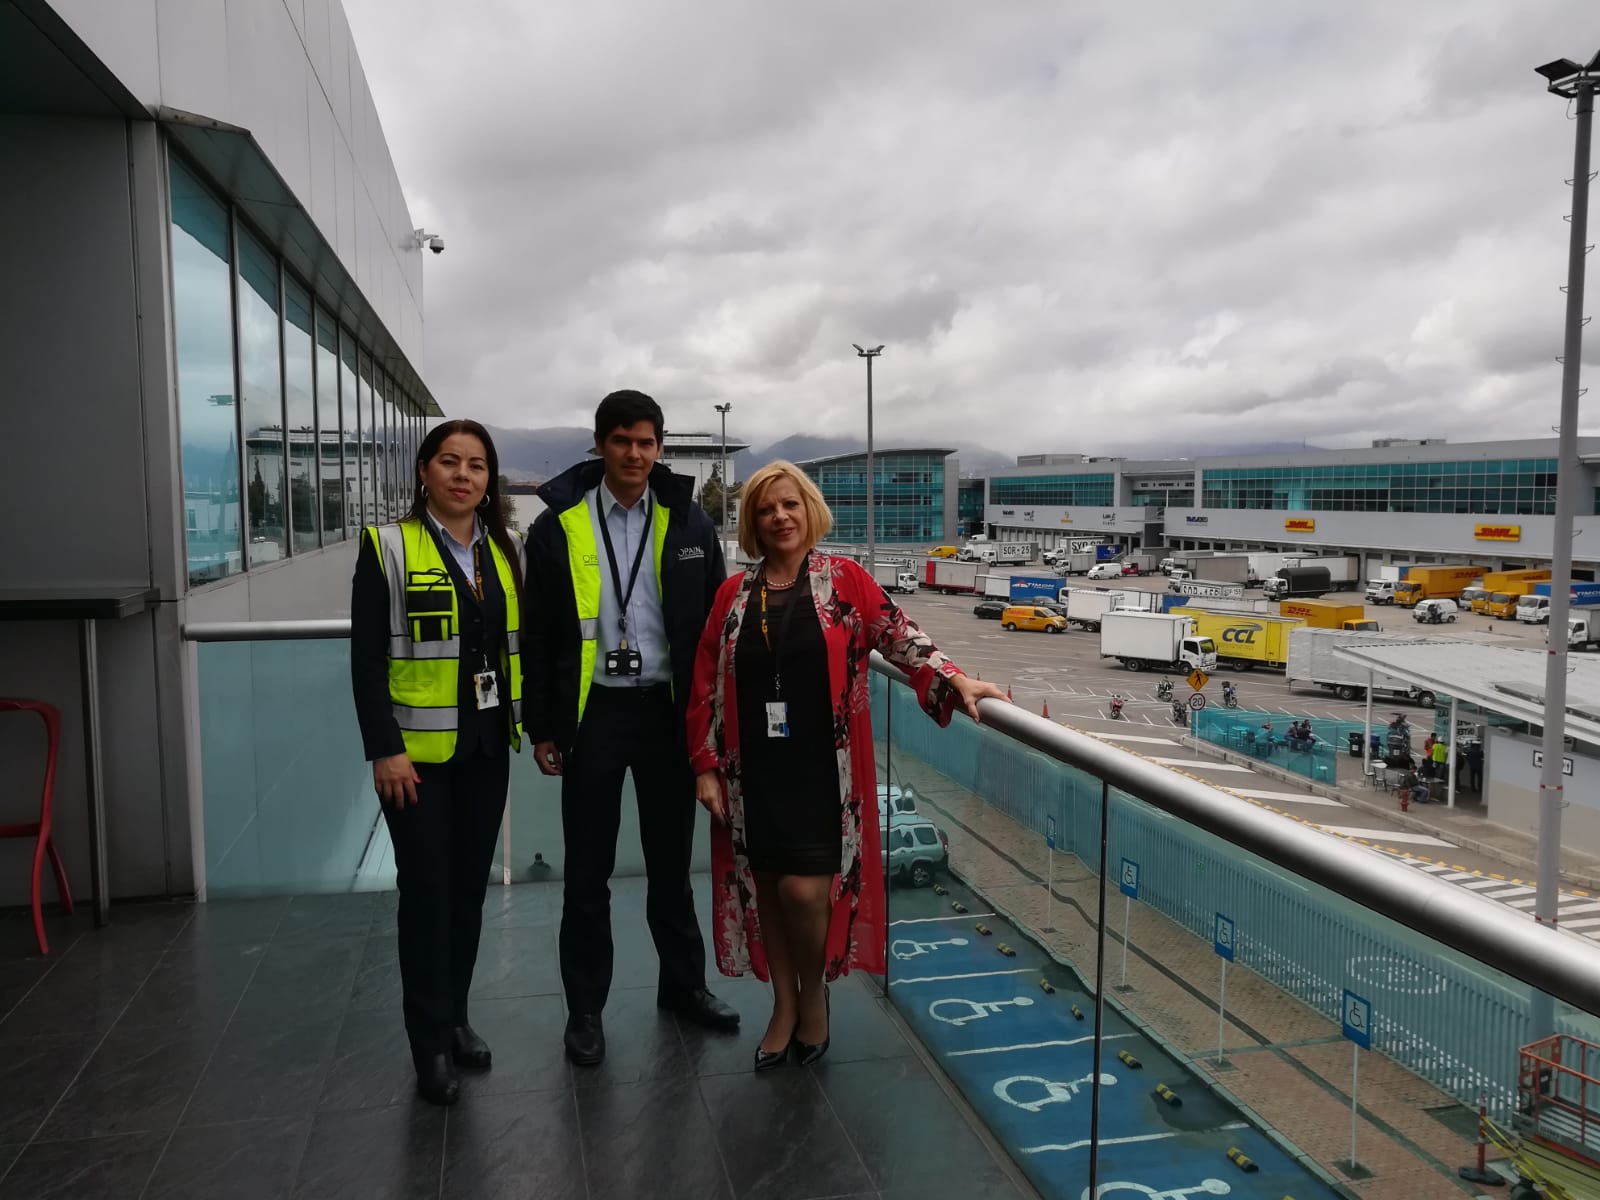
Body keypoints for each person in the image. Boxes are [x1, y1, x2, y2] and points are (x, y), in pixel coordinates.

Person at [686, 462, 1006, 1071]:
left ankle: (813, 994)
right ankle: (784, 1007)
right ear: (752, 522)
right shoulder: (734, 595)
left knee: (805, 891)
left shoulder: (844, 582)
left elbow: (901, 636)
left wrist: (953, 677)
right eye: (765, 509)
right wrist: (704, 766)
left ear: (809, 510)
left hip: (823, 773)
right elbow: (704, 684)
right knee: (767, 888)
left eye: (790, 504)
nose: (780, 517)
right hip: (753, 770)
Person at [523, 389, 737, 1067]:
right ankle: (585, 1010)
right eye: (621, 441)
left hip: (667, 714)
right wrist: (542, 725)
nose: (634, 454)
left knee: (672, 864)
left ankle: (684, 986)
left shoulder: (689, 522)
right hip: (594, 715)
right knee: (588, 872)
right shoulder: (557, 526)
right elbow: (537, 633)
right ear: (599, 445)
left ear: (659, 448)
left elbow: (716, 629)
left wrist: (712, 725)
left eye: (646, 442)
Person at [350, 419, 527, 1107]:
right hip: (416, 760)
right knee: (426, 897)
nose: (463, 475)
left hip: (485, 746)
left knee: (467, 893)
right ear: (424, 471)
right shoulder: (388, 547)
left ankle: (455, 1017)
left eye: (477, 465)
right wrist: (384, 748)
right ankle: (426, 1044)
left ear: (489, 480)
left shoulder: (502, 549)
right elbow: (367, 660)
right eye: (450, 461)